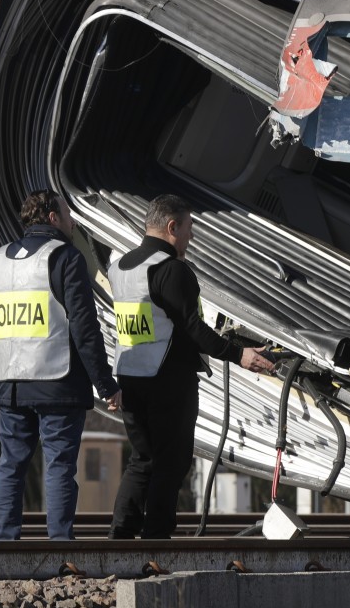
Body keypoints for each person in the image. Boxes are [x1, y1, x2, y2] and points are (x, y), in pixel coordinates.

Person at [108, 194, 275, 539]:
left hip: (129, 376)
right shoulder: (171, 270)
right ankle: (156, 538)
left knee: (142, 460)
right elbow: (193, 327)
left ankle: (120, 536)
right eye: (188, 229)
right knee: (171, 461)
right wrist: (239, 354)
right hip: (168, 380)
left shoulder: (121, 267)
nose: (191, 237)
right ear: (172, 227)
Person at [0, 189, 122, 540]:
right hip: (58, 380)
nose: (72, 221)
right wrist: (106, 384)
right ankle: (58, 546)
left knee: (10, 465)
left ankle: (4, 542)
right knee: (58, 466)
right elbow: (85, 329)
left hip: (11, 382)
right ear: (53, 218)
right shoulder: (67, 257)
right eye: (68, 214)